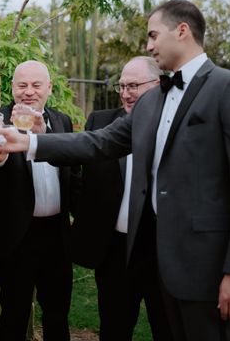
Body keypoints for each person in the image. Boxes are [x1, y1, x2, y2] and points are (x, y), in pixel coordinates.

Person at [1, 0, 230, 341]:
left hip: (206, 266)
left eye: (154, 35)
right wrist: (30, 143)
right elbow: (98, 142)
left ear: (182, 31)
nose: (149, 45)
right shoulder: (152, 100)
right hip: (155, 260)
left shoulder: (228, 87)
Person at [71, 56, 171, 340]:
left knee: (167, 328)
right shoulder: (100, 122)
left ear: (157, 84)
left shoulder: (174, 125)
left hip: (161, 251)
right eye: (122, 86)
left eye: (133, 86)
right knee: (114, 329)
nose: (126, 93)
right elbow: (79, 177)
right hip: (114, 251)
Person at [0, 60, 77, 341]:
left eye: (36, 85)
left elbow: (72, 170)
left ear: (48, 88)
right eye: (22, 85)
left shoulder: (61, 121)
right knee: (14, 314)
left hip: (57, 235)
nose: (29, 92)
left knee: (57, 313)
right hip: (18, 236)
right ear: (12, 88)